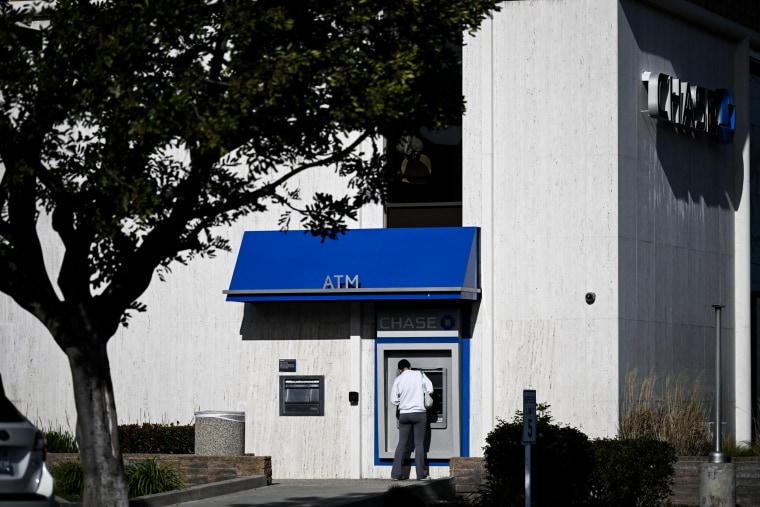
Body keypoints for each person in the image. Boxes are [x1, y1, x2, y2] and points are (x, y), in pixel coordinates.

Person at [390, 359, 433, 480]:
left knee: (401, 444)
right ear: (410, 366)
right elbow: (430, 389)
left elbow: (394, 400)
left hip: (404, 414)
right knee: (419, 444)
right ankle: (421, 475)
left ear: (400, 370)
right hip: (419, 414)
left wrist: (403, 401)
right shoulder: (419, 375)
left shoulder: (398, 379)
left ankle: (396, 474)